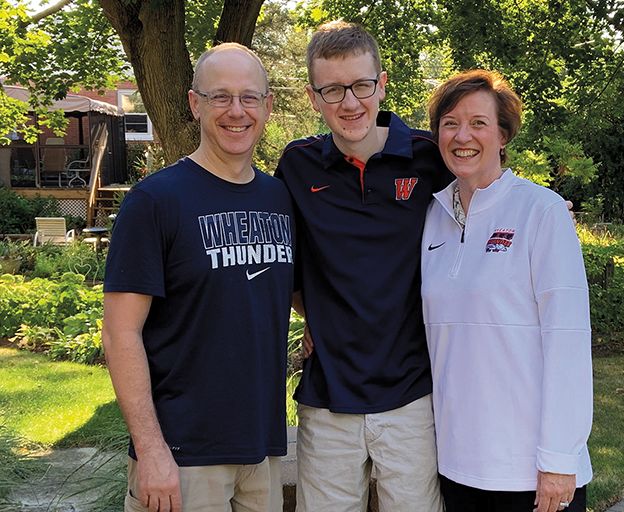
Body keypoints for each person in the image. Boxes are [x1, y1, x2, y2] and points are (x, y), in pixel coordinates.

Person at [102, 43, 294, 512]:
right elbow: (119, 332)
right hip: (183, 456)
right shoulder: (155, 201)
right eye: (220, 97)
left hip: (261, 448)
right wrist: (151, 452)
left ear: (267, 106)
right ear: (195, 103)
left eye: (249, 97)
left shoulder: (278, 198)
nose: (237, 111)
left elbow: (280, 296)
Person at [275, 21, 449, 512]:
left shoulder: (427, 158)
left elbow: (487, 197)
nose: (349, 103)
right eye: (332, 90)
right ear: (313, 98)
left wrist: (543, 208)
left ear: (383, 83)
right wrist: (311, 313)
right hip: (329, 398)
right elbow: (282, 259)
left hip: (413, 395)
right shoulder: (297, 166)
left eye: (361, 85)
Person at [421, 68, 593, 512]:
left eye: (479, 123)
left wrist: (558, 459)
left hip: (532, 472)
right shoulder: (432, 218)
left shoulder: (542, 211)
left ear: (502, 135)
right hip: (457, 465)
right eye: (450, 123)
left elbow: (568, 341)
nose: (463, 135)